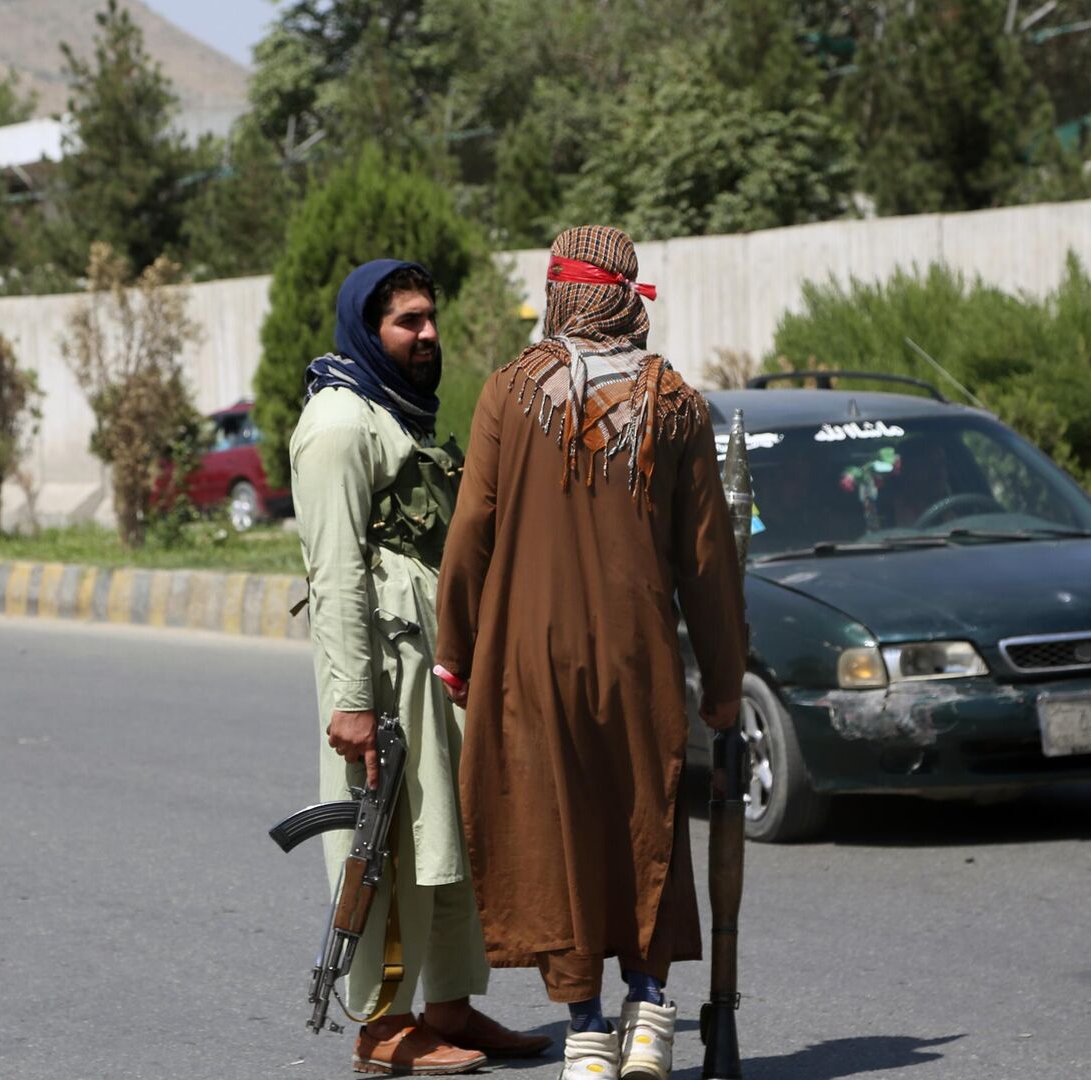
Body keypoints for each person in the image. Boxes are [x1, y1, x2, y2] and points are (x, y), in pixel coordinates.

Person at [435, 226, 749, 1080]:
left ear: (558, 294)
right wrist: (723, 683)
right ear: (627, 298)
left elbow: (471, 532)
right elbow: (710, 563)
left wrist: (455, 649)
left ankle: (585, 1027)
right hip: (638, 658)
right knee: (643, 822)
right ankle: (648, 1011)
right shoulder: (677, 402)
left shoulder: (509, 391)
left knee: (560, 832)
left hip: (529, 664)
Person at [291, 259, 550, 1075]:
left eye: (430, 318)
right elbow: (333, 574)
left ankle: (448, 1008)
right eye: (408, 322)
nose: (428, 334)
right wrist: (352, 702)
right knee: (388, 841)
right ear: (369, 331)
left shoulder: (392, 413)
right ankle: (381, 1024)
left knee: (445, 833)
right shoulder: (337, 425)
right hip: (383, 670)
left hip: (429, 661)